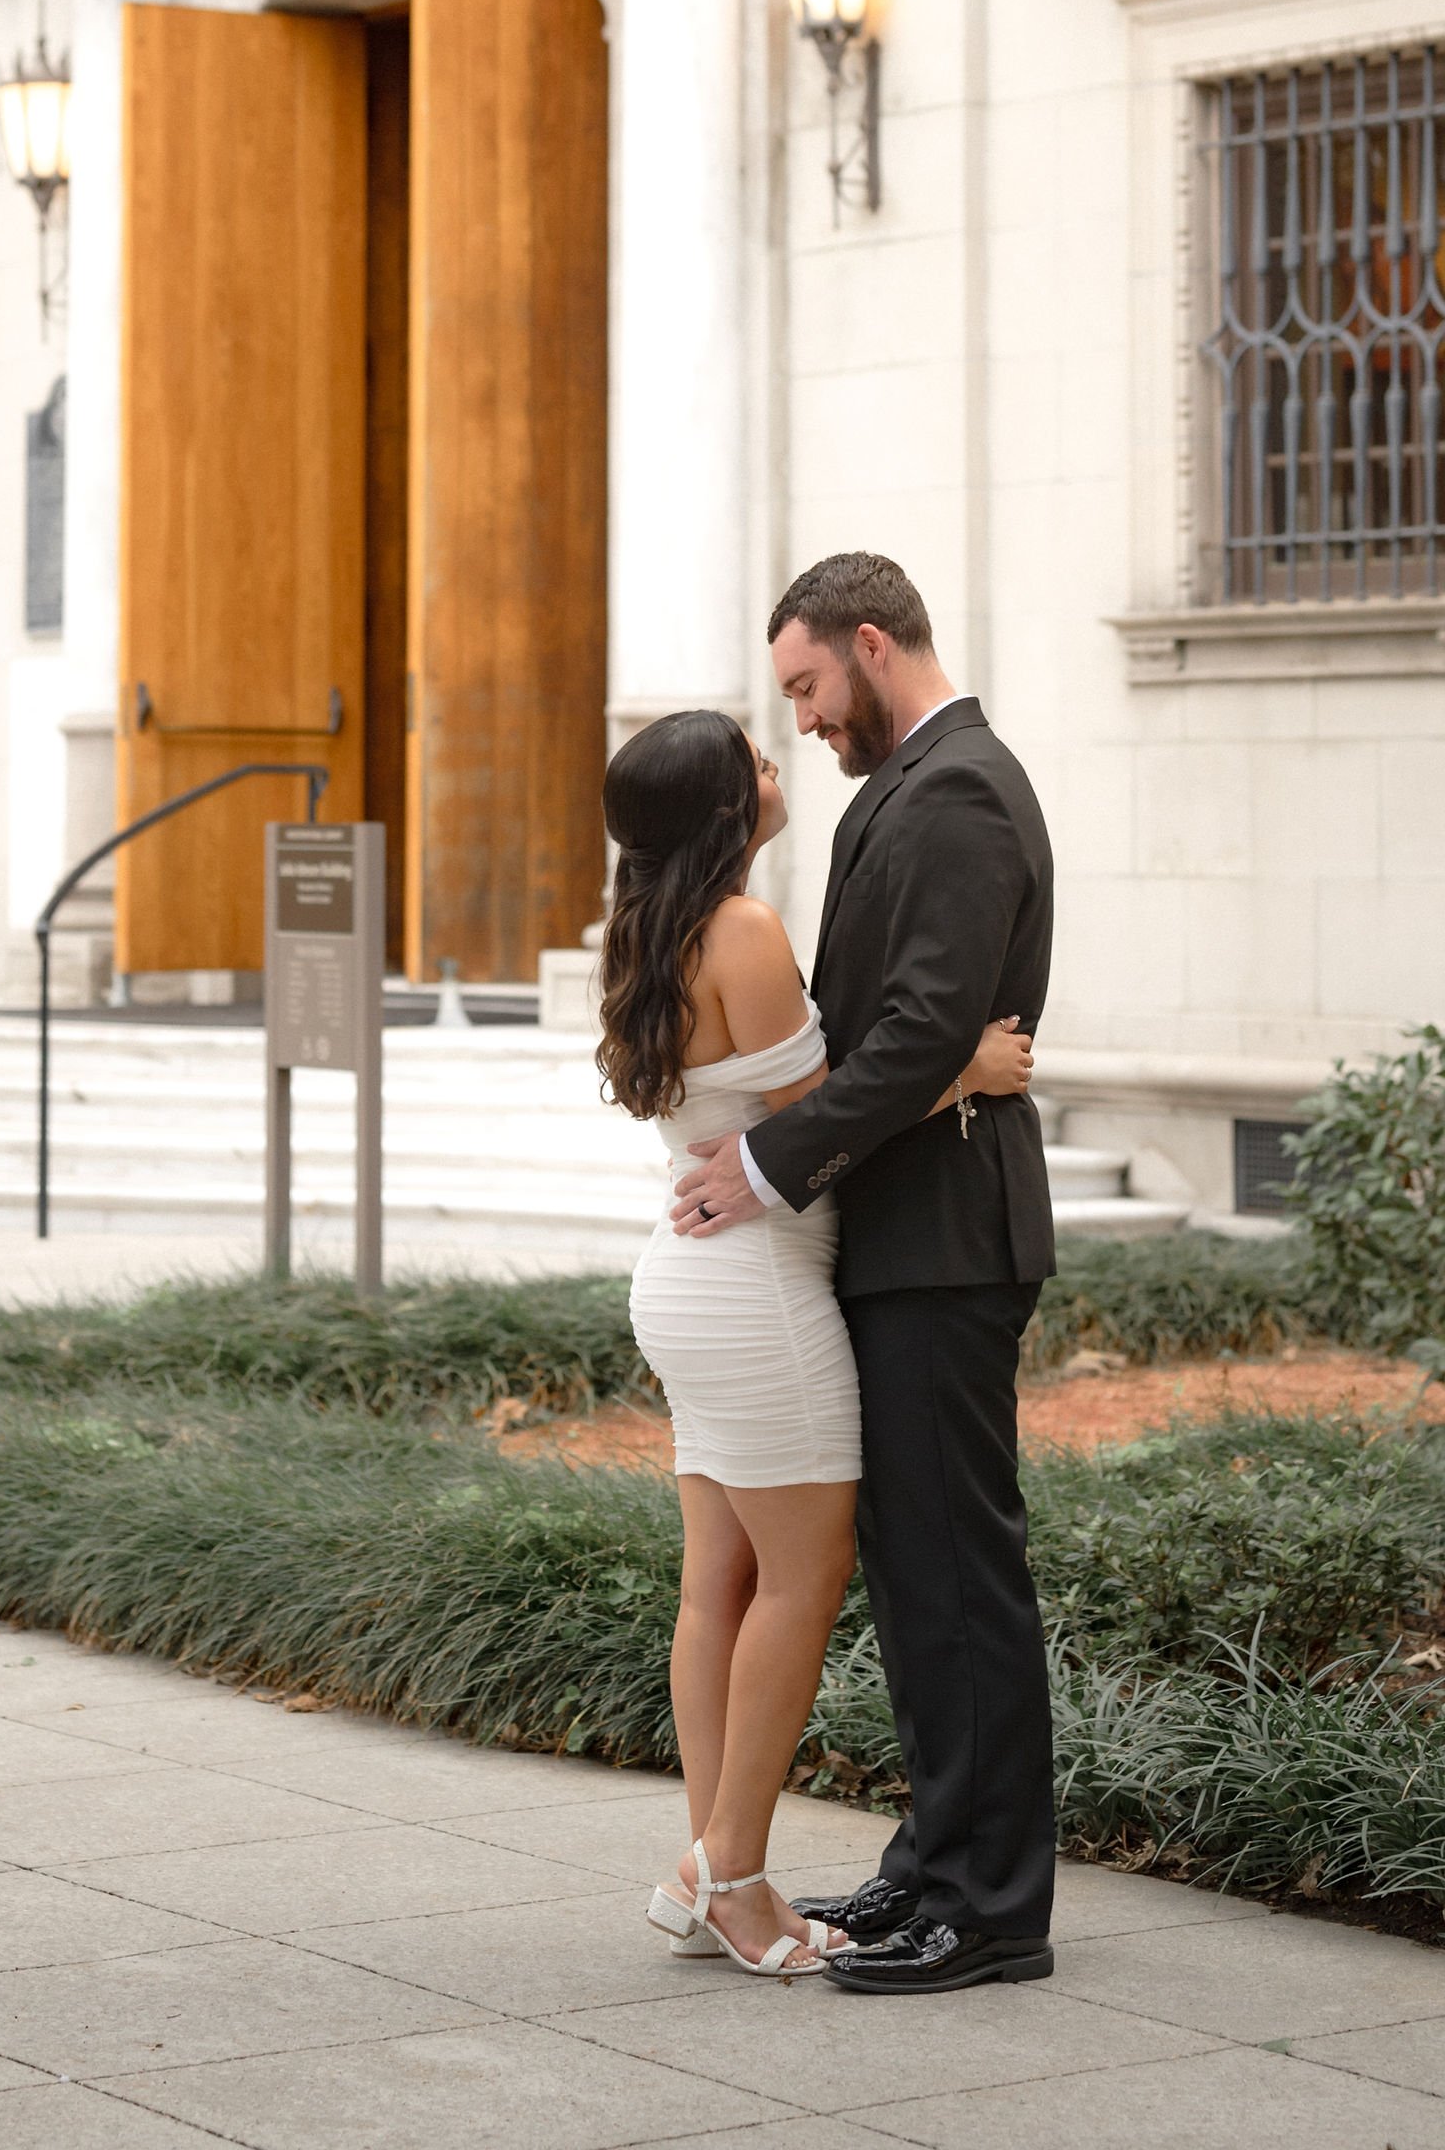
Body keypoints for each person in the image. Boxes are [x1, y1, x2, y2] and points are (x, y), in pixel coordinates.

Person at [670, 552, 1058, 1995]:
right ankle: (935, 1865)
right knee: (916, 1579)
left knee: (959, 1578)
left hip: (946, 1244)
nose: (807, 722)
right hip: (899, 1236)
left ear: (873, 644)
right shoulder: (905, 786)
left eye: (810, 687)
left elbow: (914, 1030)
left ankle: (993, 1905)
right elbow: (891, 1036)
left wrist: (765, 1168)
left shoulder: (954, 788)